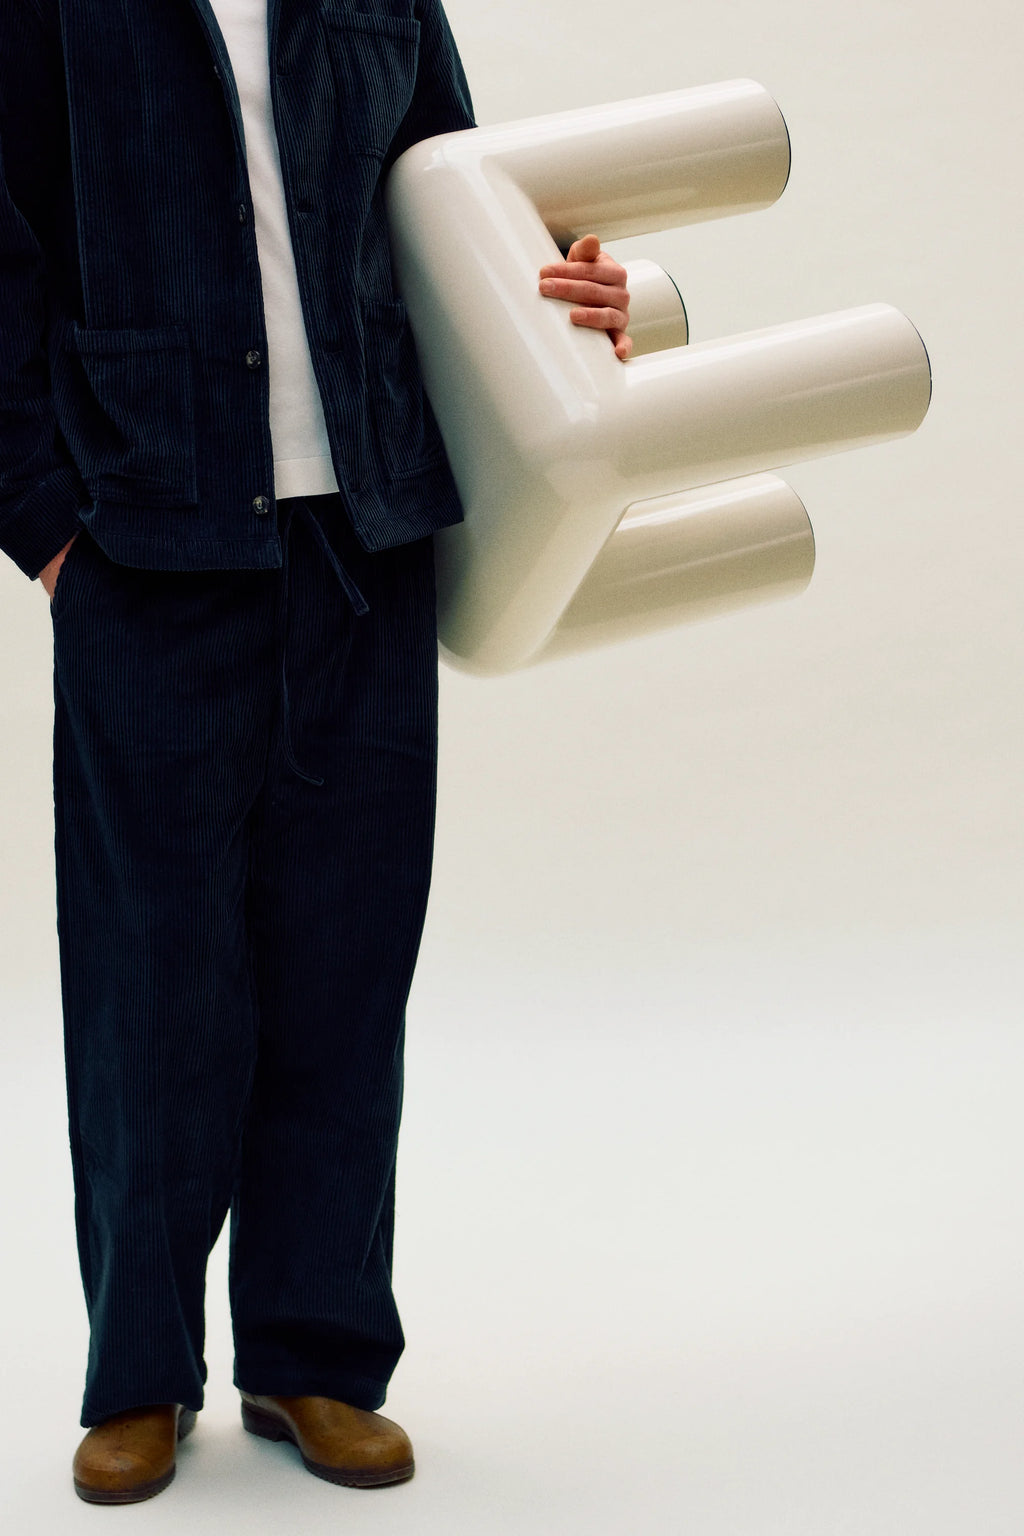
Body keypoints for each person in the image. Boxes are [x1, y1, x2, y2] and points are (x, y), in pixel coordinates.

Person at [0, 0, 631, 1505]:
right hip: (146, 538)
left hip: (366, 533)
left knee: (344, 972)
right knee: (156, 984)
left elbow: (456, 207)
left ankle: (315, 1354)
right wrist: (48, 528)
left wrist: (575, 291)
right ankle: (140, 1375)